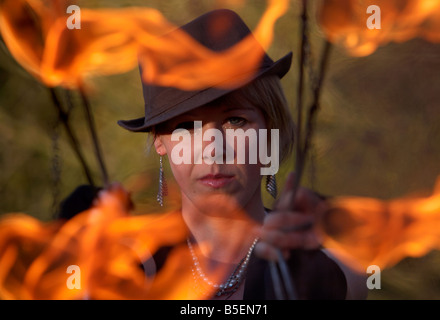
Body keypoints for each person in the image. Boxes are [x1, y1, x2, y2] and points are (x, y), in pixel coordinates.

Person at [116, 9, 367, 300]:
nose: (213, 148)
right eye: (186, 125)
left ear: (270, 127)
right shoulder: (122, 269)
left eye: (236, 120)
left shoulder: (333, 271)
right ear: (160, 140)